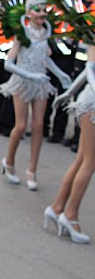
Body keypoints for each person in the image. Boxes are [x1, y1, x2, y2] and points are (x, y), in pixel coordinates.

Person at [0, 0, 72, 191]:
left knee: (39, 126)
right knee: (21, 125)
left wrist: (61, 75)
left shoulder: (45, 34)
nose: (42, 14)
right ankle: (9, 161)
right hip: (23, 82)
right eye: (38, 10)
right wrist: (29, 74)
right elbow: (9, 63)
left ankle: (32, 170)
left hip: (40, 84)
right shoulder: (21, 34)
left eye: (44, 10)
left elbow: (45, 60)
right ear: (29, 13)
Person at [45, 44, 95, 244]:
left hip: (88, 100)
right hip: (92, 105)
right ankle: (71, 215)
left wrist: (69, 92)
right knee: (89, 162)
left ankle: (57, 207)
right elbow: (90, 69)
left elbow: (87, 72)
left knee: (82, 159)